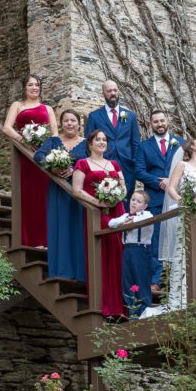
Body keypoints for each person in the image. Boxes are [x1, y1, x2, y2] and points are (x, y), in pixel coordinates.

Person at [141, 138, 196, 317]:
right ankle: (185, 300)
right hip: (189, 216)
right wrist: (182, 201)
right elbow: (171, 189)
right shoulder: (182, 165)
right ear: (192, 148)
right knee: (187, 254)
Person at [72, 130, 127, 318]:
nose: (102, 142)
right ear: (90, 143)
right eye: (98, 139)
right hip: (97, 214)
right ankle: (105, 305)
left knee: (118, 253)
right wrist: (98, 203)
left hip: (117, 211)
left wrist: (116, 197)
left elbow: (124, 187)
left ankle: (121, 306)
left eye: (104, 140)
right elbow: (77, 191)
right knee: (101, 255)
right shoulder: (82, 164)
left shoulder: (114, 164)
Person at [2, 74, 58, 248]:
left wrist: (51, 152)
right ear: (25, 88)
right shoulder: (17, 106)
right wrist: (24, 141)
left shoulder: (47, 108)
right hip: (26, 156)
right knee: (29, 197)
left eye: (37, 85)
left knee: (45, 197)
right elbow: (7, 128)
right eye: (31, 85)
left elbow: (55, 133)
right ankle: (29, 240)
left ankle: (46, 240)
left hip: (43, 156)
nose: (34, 88)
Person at [33, 109, 88, 283]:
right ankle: (62, 270)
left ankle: (81, 272)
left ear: (79, 124)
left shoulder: (87, 143)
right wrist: (52, 167)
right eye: (66, 121)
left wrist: (76, 170)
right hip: (59, 190)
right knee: (61, 226)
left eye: (73, 120)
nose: (69, 123)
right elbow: (38, 155)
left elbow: (94, 161)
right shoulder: (54, 141)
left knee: (79, 227)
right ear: (61, 123)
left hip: (80, 189)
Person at [134, 109, 183, 294]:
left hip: (177, 200)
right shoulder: (144, 146)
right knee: (156, 241)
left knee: (178, 239)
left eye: (162, 120)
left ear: (167, 121)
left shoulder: (181, 143)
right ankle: (157, 280)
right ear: (150, 124)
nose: (160, 124)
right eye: (156, 122)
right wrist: (159, 182)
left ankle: (178, 279)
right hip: (155, 200)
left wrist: (174, 183)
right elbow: (139, 171)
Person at [84, 80, 141, 197]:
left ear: (118, 92)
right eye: (109, 91)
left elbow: (135, 142)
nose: (113, 93)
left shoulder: (130, 116)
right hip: (102, 164)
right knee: (104, 196)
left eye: (115, 90)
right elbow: (88, 142)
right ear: (104, 93)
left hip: (127, 165)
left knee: (126, 198)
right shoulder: (94, 116)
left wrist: (134, 162)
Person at [110, 191, 154, 317]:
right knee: (127, 280)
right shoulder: (125, 216)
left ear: (145, 206)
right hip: (127, 250)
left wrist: (132, 220)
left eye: (138, 201)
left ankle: (145, 311)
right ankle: (132, 312)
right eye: (133, 199)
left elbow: (147, 219)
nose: (134, 202)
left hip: (141, 250)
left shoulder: (147, 214)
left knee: (141, 279)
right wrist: (125, 220)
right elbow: (111, 223)